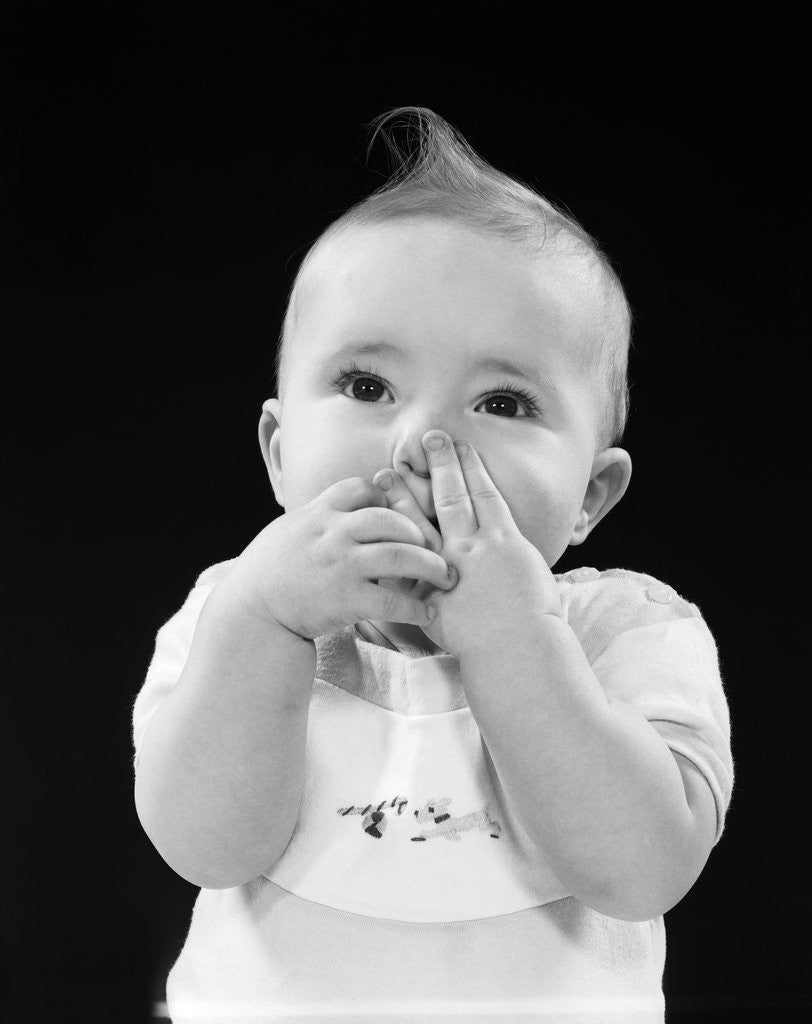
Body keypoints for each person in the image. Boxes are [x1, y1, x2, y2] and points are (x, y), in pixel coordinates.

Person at [132, 106, 734, 1024]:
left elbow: (641, 869)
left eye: (503, 400)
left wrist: (514, 636)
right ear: (279, 451)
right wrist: (267, 625)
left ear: (590, 497)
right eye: (367, 386)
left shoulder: (626, 633)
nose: (423, 438)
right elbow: (206, 847)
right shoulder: (238, 611)